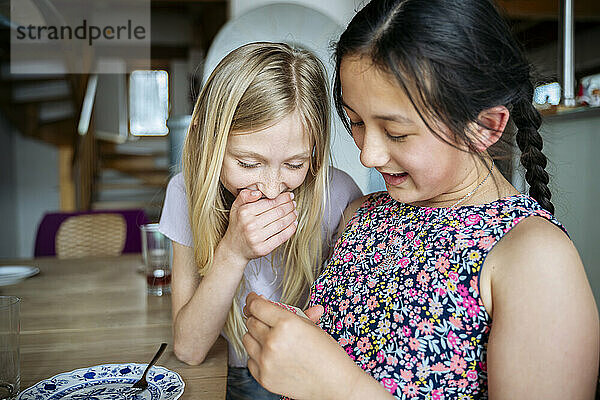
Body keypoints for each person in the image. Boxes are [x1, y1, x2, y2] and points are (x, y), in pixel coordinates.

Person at [242, 1, 600, 399]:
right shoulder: (364, 215)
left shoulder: (534, 259)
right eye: (356, 122)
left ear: (485, 126)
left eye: (396, 132)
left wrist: (339, 387)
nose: (368, 155)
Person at [158, 42, 363, 400]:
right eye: (248, 164)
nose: (270, 189)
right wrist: (232, 252)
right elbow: (189, 349)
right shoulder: (184, 193)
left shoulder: (339, 195)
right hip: (235, 373)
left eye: (295, 164)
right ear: (212, 144)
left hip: (310, 380)